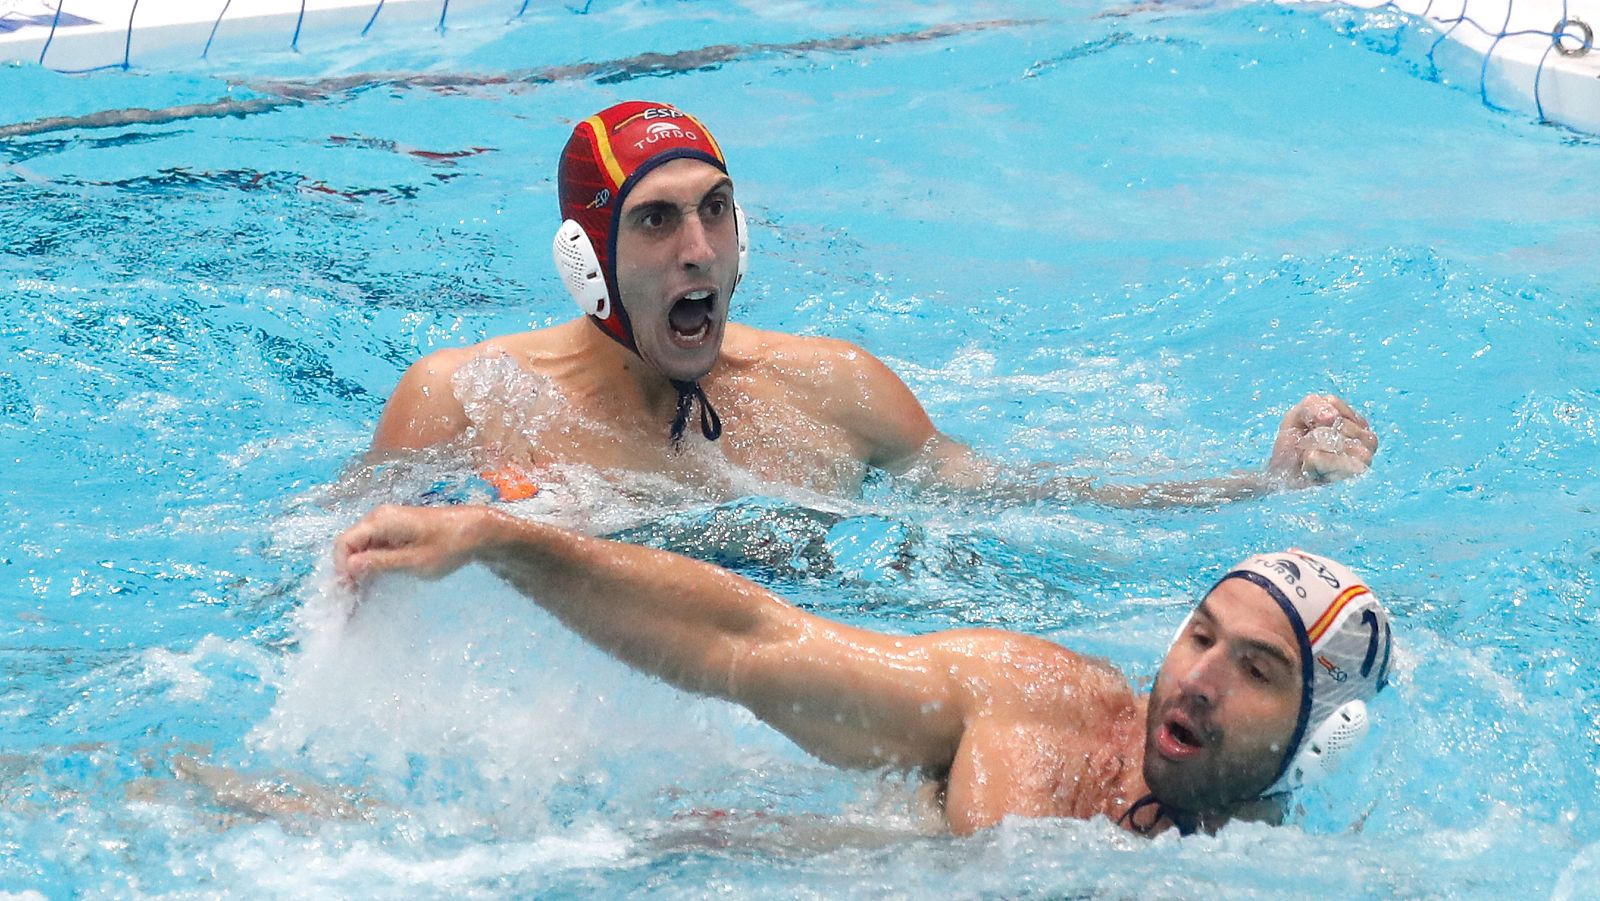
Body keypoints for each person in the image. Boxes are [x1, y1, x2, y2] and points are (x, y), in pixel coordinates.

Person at [367, 100, 1378, 505]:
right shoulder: (467, 401)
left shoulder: (834, 387)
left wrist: (1261, 480)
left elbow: (1029, 500)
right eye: (657, 222)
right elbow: (315, 581)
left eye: (717, 212)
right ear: (585, 261)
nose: (700, 252)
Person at [333, 504, 1395, 836]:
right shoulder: (1029, 707)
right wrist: (510, 542)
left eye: (1254, 666)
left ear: (1322, 731)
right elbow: (749, 643)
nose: (1197, 676)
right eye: (1199, 634)